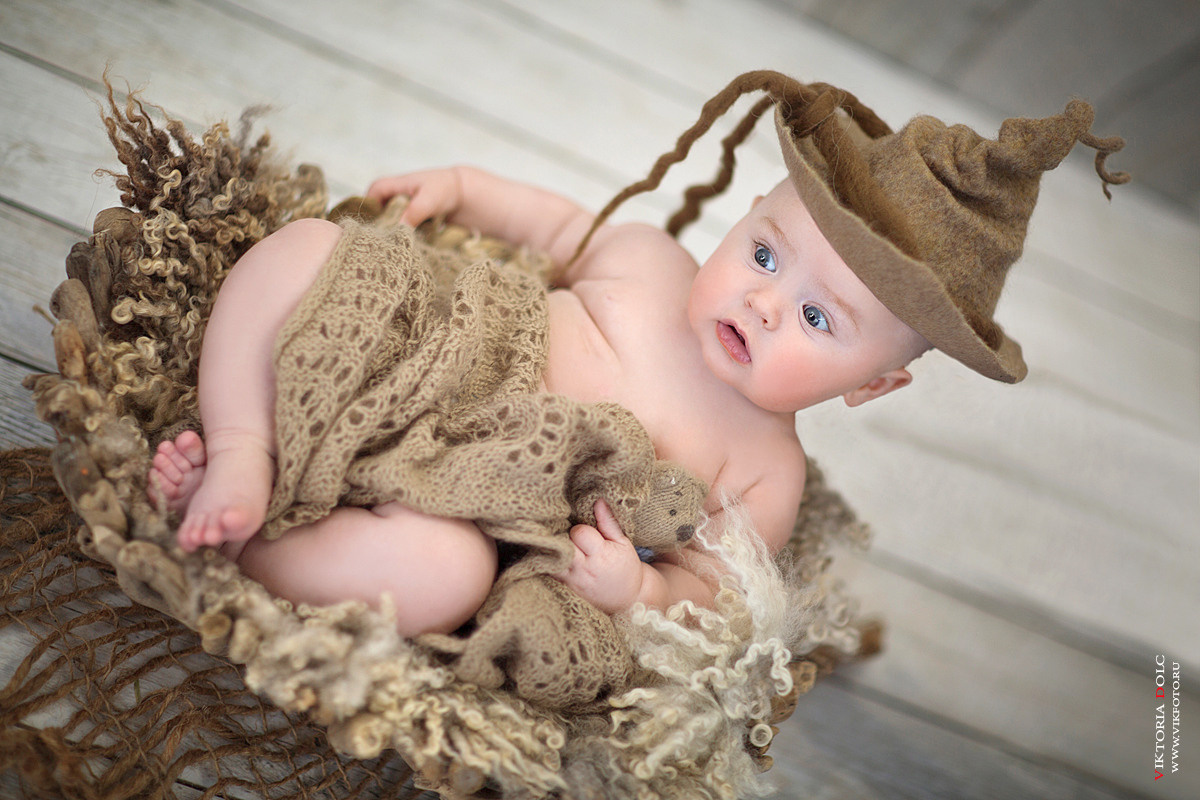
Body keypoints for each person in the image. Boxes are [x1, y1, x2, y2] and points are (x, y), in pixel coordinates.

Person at [145, 71, 1126, 638]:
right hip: (439, 347)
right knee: (309, 253)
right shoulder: (655, 261)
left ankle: (256, 543)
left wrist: (641, 587)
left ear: (873, 384)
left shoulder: (765, 473)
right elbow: (565, 223)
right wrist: (465, 184)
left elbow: (714, 591)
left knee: (444, 579)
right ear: (741, 216)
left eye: (821, 320)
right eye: (766, 251)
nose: (764, 301)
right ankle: (242, 439)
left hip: (472, 491)